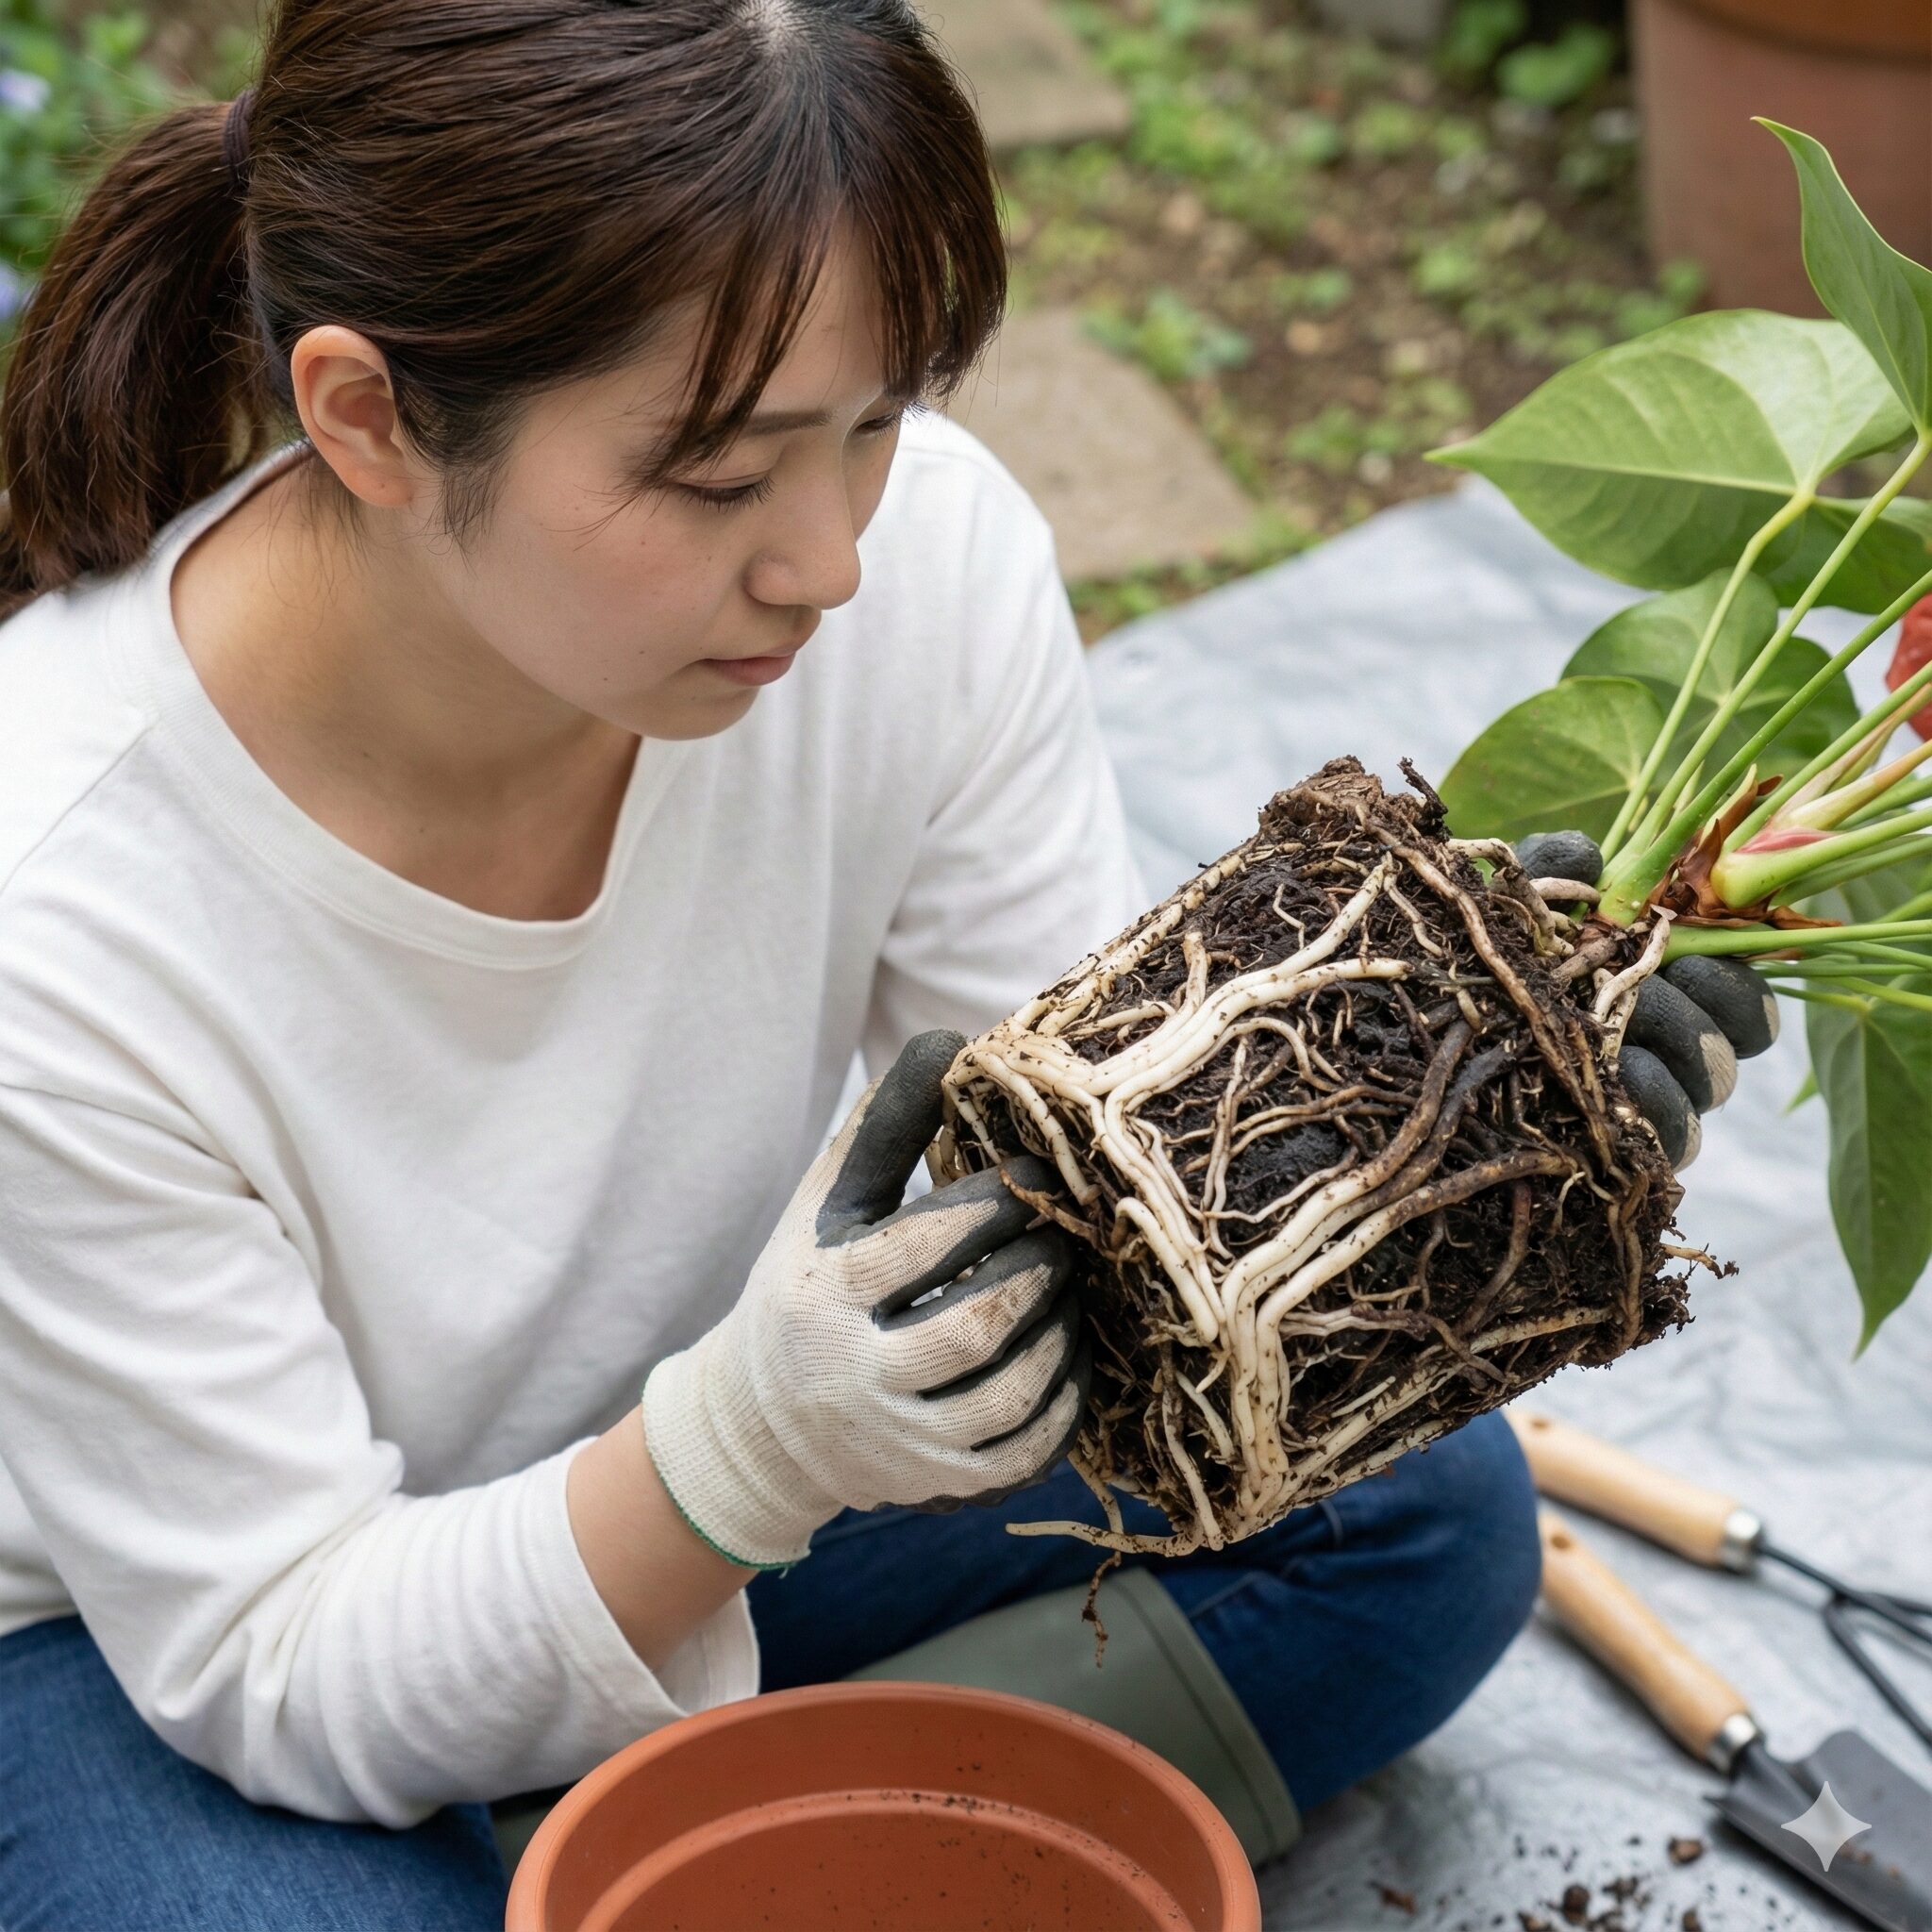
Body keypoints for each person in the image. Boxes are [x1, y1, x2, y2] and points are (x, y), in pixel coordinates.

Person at [0, 2, 1770, 1924]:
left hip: (701, 1435)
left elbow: (1086, 1202)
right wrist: (738, 1452)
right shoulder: (62, 913)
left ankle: (610, 1833)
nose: (830, 559)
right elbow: (279, 1646)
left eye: (877, 420)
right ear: (369, 418)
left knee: (1414, 1524)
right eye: (717, 475)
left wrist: (1460, 1087)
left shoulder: (913, 569)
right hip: (168, 1636)